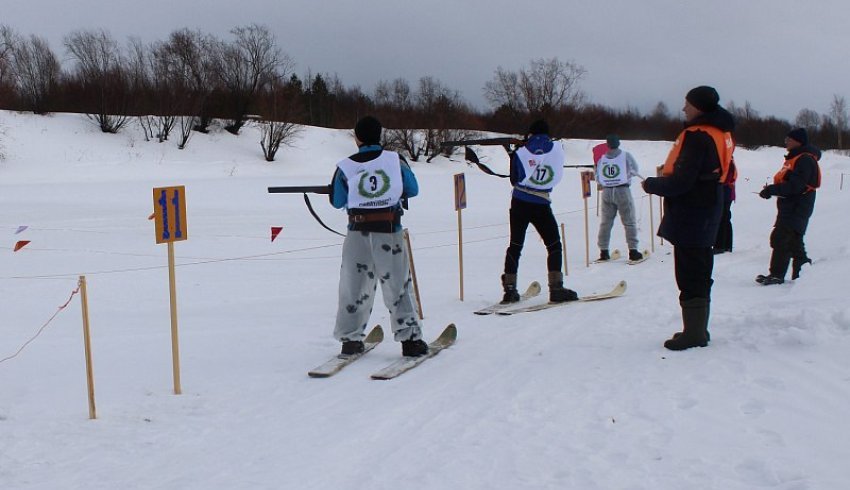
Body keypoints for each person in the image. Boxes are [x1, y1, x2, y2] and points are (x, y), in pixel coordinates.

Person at [642, 86, 735, 351]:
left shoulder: (697, 135)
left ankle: (694, 333)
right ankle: (697, 328)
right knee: (700, 267)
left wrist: (653, 184)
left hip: (693, 209)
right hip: (709, 204)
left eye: (688, 104)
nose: (684, 109)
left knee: (690, 270)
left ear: (700, 107)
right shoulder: (721, 133)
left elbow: (683, 181)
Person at [329, 116, 428, 357]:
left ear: (357, 138)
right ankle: (410, 340)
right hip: (389, 231)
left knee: (354, 286)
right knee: (398, 285)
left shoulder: (345, 166)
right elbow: (412, 189)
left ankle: (351, 340)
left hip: (357, 233)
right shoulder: (396, 161)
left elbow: (337, 200)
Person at [500, 119, 578, 304]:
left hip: (519, 201)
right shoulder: (557, 149)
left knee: (515, 246)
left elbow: (515, 178)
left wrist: (513, 155)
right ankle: (556, 288)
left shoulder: (522, 152)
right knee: (554, 245)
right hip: (541, 202)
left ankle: (509, 290)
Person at [756, 128, 821, 285]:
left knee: (781, 238)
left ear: (798, 141)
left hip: (797, 207)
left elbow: (796, 186)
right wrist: (773, 189)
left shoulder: (804, 159)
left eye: (789, 139)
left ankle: (777, 275)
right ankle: (804, 275)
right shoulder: (796, 158)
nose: (786, 141)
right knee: (793, 241)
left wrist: (772, 190)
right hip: (791, 206)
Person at [595, 134, 643, 262]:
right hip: (622, 190)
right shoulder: (626, 156)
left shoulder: (602, 159)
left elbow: (598, 176)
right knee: (629, 221)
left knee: (606, 222)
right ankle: (633, 251)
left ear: (608, 144)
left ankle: (603, 251)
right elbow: (635, 169)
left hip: (606, 192)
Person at [713, 156, 737, 254]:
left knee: (722, 217)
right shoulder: (726, 158)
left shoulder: (727, 159)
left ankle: (720, 245)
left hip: (725, 192)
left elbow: (726, 177)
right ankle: (726, 245)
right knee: (725, 217)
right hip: (726, 192)